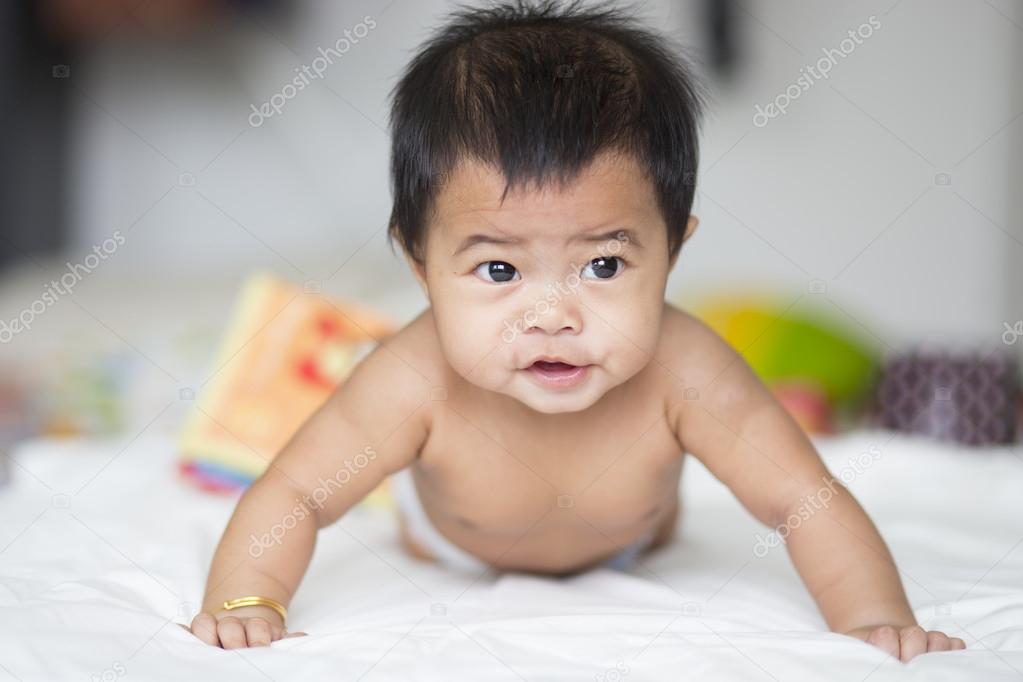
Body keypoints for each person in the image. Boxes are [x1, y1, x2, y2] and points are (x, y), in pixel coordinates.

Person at [187, 1, 965, 661]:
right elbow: (295, 494)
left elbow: (802, 497)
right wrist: (246, 597)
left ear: (671, 251)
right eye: (499, 271)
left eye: (602, 266)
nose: (553, 314)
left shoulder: (685, 367)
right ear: (419, 263)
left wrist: (870, 618)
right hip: (453, 540)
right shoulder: (413, 377)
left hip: (634, 535)